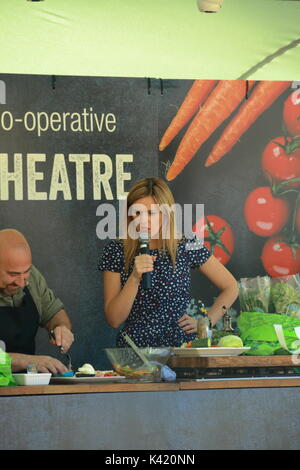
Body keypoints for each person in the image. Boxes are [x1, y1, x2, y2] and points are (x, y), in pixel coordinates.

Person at [98, 177, 239, 347]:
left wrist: (205, 322)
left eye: (151, 213)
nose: (142, 220)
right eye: (137, 212)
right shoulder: (116, 249)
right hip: (136, 353)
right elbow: (113, 319)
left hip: (180, 350)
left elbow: (231, 286)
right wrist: (135, 277)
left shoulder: (186, 243)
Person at [0, 229, 74, 374]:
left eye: (26, 271)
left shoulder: (32, 277)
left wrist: (61, 327)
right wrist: (27, 361)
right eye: (12, 274)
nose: (21, 283)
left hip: (27, 387)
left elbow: (54, 313)